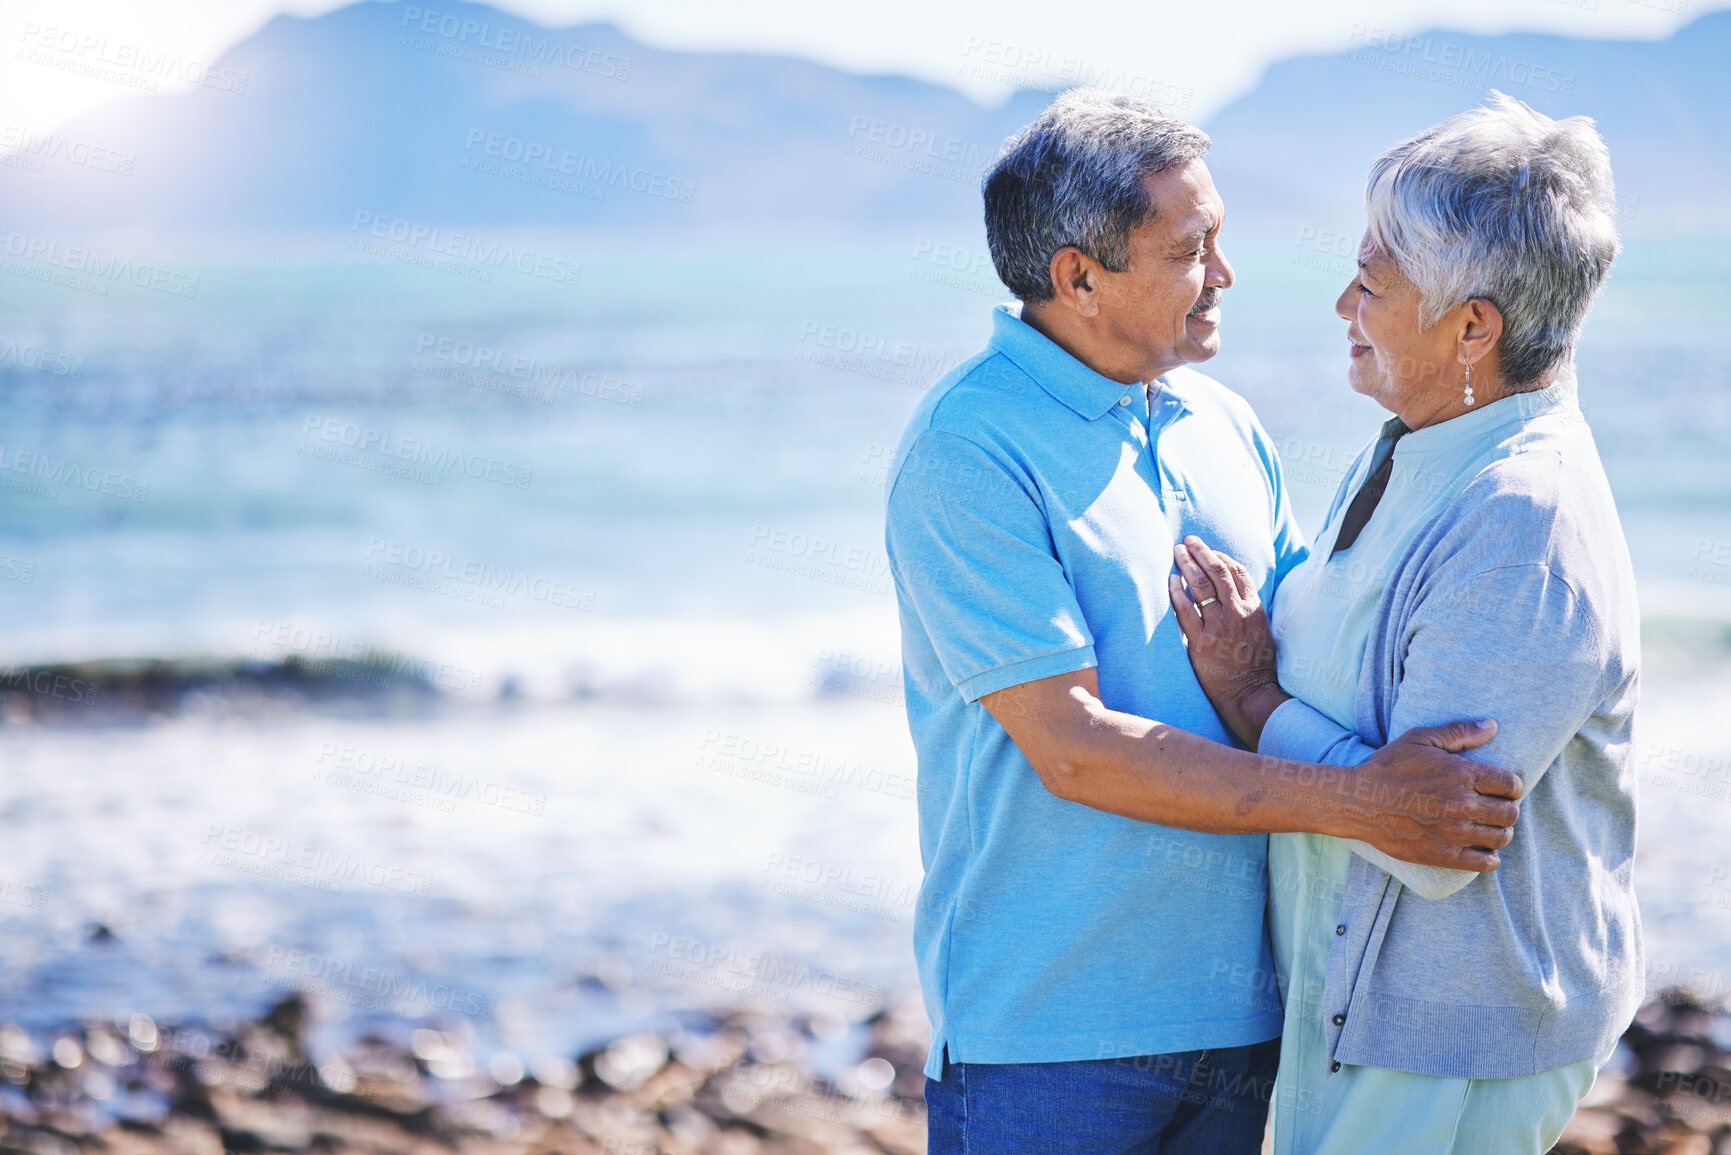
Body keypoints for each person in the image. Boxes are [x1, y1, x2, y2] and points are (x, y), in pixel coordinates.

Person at [883, 88, 1524, 1154]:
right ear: (1077, 276)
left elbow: (1296, 664)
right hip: (1048, 1037)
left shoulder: (1225, 423)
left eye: (1219, 240)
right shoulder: (969, 447)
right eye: (1191, 249)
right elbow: (1076, 752)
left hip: (1245, 1021)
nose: (1224, 275)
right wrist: (1359, 801)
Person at [1167, 92, 1641, 1154]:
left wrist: (1251, 698)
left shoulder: (1524, 521)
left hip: (1448, 1035)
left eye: (1373, 282)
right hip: (1366, 1016)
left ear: (1475, 326)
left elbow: (1429, 842)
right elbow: (1375, 773)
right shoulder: (1415, 444)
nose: (1344, 301)